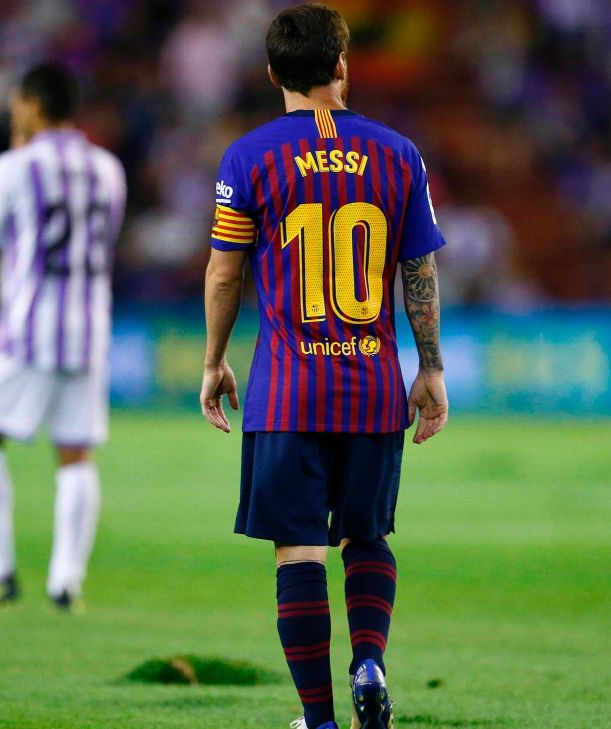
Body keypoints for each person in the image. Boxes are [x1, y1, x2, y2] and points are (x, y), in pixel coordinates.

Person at [199, 5, 448, 728]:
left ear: (271, 72)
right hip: (371, 385)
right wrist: (430, 367)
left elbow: (224, 272)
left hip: (288, 391)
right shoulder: (399, 153)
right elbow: (419, 269)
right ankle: (370, 659)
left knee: (299, 550)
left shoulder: (248, 157)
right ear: (342, 64)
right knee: (365, 536)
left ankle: (321, 720)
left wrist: (214, 360)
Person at [0, 63, 126, 613]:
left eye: (17, 103)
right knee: (76, 452)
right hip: (89, 327)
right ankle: (66, 582)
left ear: (35, 107)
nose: (12, 112)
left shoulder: (13, 167)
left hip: (28, 327)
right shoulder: (108, 168)